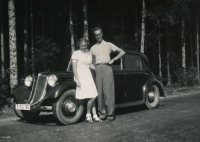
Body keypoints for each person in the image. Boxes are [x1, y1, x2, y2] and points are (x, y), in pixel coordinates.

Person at [90, 27, 125, 122]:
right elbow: (89, 60)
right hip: (97, 68)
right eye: (96, 35)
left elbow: (122, 52)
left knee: (108, 92)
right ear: (94, 36)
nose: (98, 36)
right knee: (99, 91)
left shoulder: (109, 44)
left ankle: (110, 115)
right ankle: (102, 114)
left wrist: (114, 59)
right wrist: (92, 66)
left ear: (102, 34)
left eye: (99, 34)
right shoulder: (93, 48)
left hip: (107, 67)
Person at [71, 38, 102, 123]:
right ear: (79, 45)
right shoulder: (76, 53)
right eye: (82, 46)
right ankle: (88, 115)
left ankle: (95, 115)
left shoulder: (88, 53)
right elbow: (74, 68)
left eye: (85, 46)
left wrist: (92, 66)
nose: (83, 47)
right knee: (91, 96)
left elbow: (88, 64)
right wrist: (77, 79)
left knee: (93, 95)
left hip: (88, 75)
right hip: (81, 76)